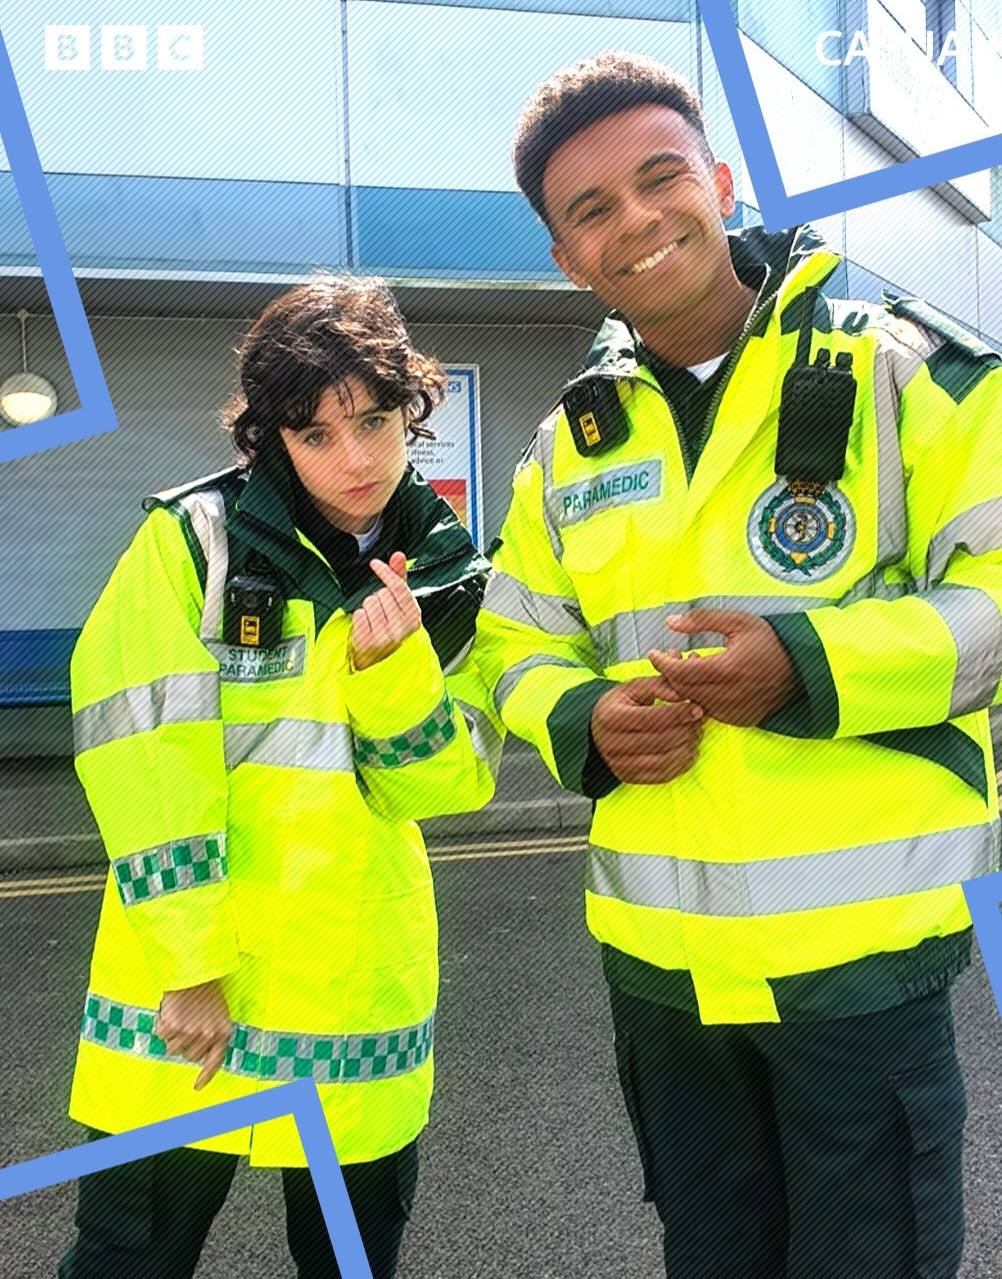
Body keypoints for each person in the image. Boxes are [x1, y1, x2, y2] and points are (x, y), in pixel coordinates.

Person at [474, 51, 1002, 1279]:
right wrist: (586, 713)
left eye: (661, 180)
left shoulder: (900, 370)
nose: (637, 223)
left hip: (861, 969)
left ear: (717, 180)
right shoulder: (570, 440)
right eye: (590, 211)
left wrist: (807, 664)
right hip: (664, 974)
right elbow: (511, 638)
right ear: (567, 259)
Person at [59, 274, 502, 1278]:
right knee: (128, 1258)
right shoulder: (190, 543)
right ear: (269, 437)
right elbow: (143, 762)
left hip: (352, 987)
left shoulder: (450, 572)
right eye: (316, 434)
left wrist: (391, 686)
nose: (357, 460)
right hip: (186, 992)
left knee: (351, 1258)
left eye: (378, 422)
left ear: (413, 413)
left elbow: (453, 785)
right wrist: (192, 962)